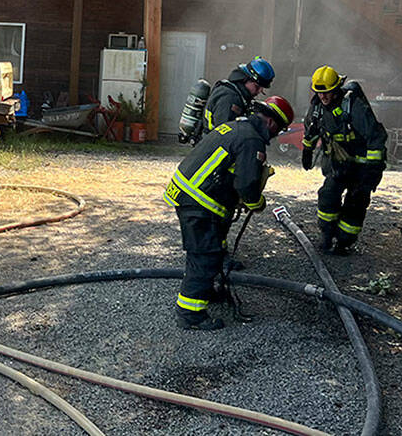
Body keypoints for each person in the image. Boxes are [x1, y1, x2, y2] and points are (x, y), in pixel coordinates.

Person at [164, 95, 294, 330]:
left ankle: (205, 292)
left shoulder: (237, 126)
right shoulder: (252, 140)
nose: (275, 135)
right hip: (198, 200)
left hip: (191, 194)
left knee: (214, 248)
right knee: (204, 254)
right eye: (279, 129)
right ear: (273, 123)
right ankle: (190, 314)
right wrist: (257, 203)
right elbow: (246, 184)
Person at [301, 66, 388, 255]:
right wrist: (307, 150)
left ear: (336, 89)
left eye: (327, 92)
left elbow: (375, 136)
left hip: (361, 166)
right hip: (337, 164)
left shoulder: (353, 105)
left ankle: (344, 242)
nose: (323, 97)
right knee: (327, 196)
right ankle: (326, 234)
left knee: (355, 203)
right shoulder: (317, 107)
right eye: (319, 92)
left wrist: (373, 168)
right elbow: (311, 130)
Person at [200, 57, 276, 138]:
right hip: (213, 145)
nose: (259, 91)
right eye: (257, 87)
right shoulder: (230, 98)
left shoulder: (238, 94)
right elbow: (225, 135)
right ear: (245, 79)